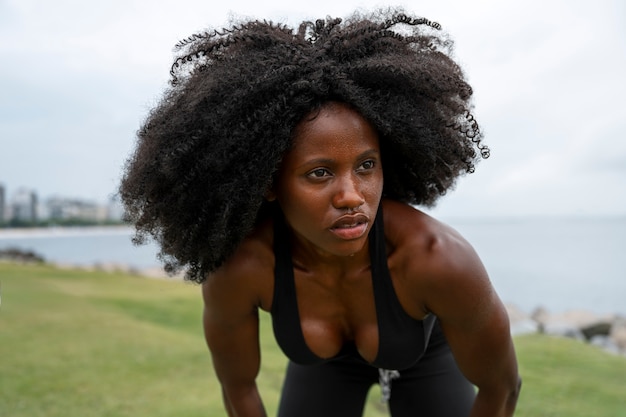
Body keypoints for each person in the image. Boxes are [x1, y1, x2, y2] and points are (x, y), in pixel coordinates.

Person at [119, 8, 521, 417]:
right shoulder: (243, 268)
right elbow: (239, 391)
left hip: (426, 362)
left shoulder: (438, 260)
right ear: (270, 184)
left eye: (366, 166)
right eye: (319, 173)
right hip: (324, 369)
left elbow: (501, 389)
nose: (351, 196)